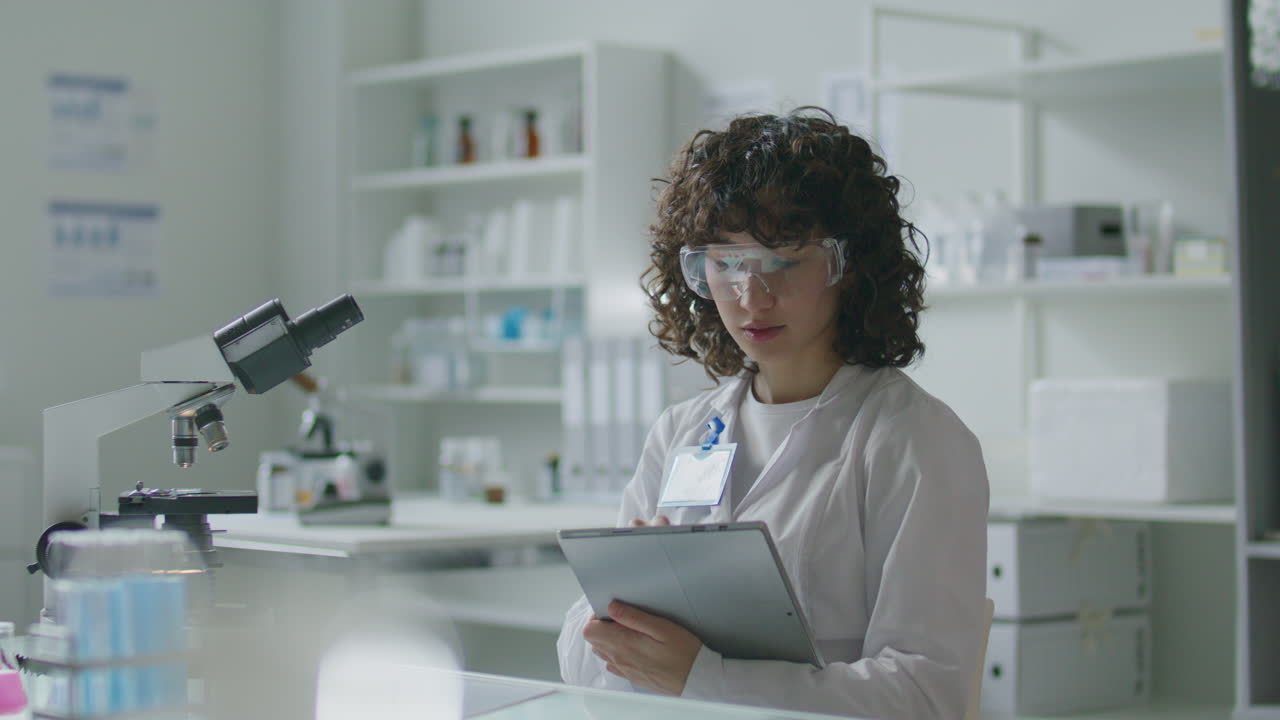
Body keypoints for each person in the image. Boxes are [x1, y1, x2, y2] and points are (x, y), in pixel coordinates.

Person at [556, 107, 989, 720]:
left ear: (851, 265)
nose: (752, 296)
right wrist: (618, 621)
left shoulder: (914, 440)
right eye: (726, 263)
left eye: (784, 260)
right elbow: (580, 648)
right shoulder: (681, 431)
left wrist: (702, 677)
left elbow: (925, 695)